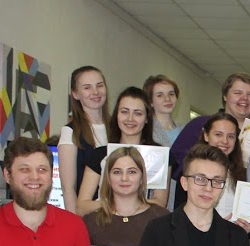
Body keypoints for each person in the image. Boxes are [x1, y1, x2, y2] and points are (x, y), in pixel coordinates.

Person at [77, 86, 169, 215]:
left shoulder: (159, 155)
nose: (130, 119)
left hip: (145, 224)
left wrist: (126, 204)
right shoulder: (99, 155)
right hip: (105, 222)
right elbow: (81, 207)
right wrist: (117, 203)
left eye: (138, 113)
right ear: (116, 115)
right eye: (124, 112)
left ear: (147, 118)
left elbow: (160, 203)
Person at [170, 73, 250, 181]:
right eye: (238, 93)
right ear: (225, 96)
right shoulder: (200, 124)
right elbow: (175, 163)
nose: (244, 98)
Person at [58, 66, 110, 213]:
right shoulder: (70, 132)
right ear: (75, 94)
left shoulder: (118, 127)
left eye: (99, 85)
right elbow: (69, 189)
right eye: (87, 87)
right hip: (88, 217)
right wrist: (75, 223)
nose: (95, 92)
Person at [174, 113, 247, 214]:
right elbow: (180, 210)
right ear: (206, 136)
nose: (225, 141)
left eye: (230, 136)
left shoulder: (244, 175)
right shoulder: (190, 170)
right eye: (218, 135)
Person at [143, 74, 185, 147]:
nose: (167, 99)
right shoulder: (146, 131)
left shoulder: (186, 130)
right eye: (160, 95)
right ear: (150, 101)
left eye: (171, 94)